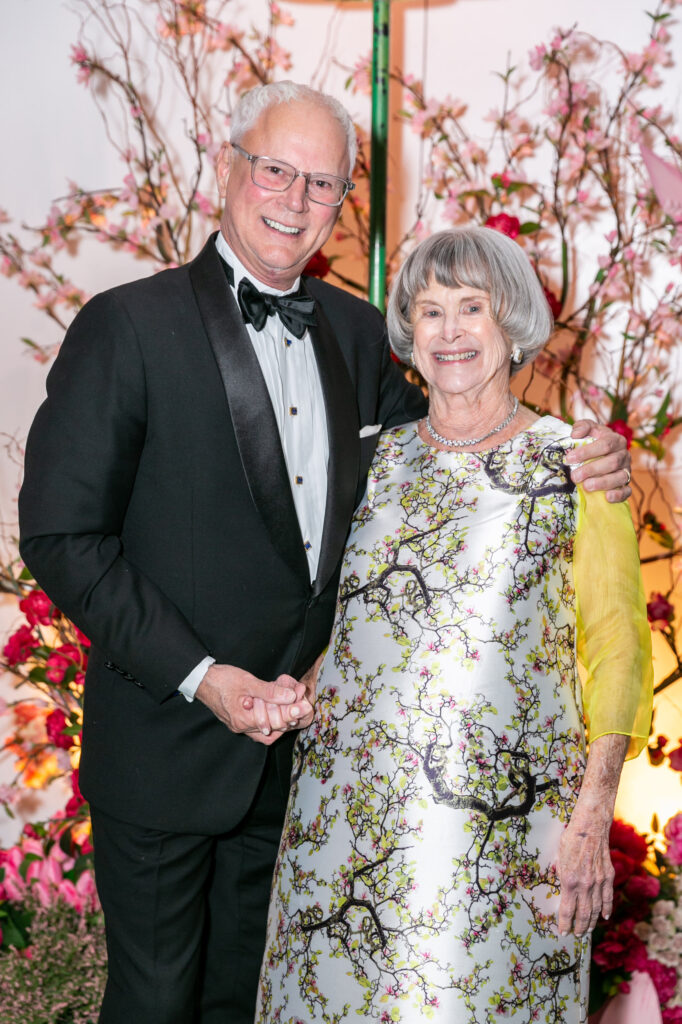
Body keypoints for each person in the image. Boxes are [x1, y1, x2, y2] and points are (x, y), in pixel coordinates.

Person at [17, 80, 629, 1024]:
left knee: (252, 1002)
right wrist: (203, 675)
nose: (294, 201)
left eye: (323, 184)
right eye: (276, 171)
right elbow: (62, 536)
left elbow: (460, 455)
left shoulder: (354, 334)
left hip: (308, 774)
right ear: (230, 169)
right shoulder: (126, 327)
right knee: (155, 1003)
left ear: (342, 204)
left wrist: (586, 454)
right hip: (169, 747)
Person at [256, 227, 652, 1024]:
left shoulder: (573, 462)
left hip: (502, 844)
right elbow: (349, 618)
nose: (449, 331)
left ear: (511, 325)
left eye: (471, 308)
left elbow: (617, 651)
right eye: (429, 311)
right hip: (343, 823)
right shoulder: (376, 458)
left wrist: (590, 817)